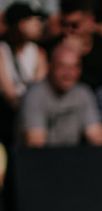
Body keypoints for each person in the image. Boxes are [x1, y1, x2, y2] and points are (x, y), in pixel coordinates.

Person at [19, 41, 102, 147]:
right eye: (62, 66)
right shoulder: (34, 95)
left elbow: (96, 137)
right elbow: (35, 142)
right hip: (41, 158)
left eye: (74, 67)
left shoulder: (83, 93)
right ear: (50, 67)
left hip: (74, 157)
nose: (68, 73)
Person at [0, 3, 48, 148]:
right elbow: (8, 92)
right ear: (21, 24)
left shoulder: (38, 52)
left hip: (30, 114)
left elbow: (39, 88)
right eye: (34, 21)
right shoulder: (2, 51)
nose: (39, 25)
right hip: (7, 117)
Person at [53, 0, 102, 89]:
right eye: (64, 25)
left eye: (75, 25)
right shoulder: (55, 47)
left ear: (90, 21)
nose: (68, 31)